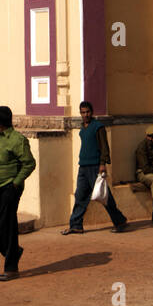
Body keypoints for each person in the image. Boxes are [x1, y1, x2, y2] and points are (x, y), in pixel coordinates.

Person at [0, 105, 35, 281]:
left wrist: (15, 183)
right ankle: (12, 252)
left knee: (8, 225)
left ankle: (11, 268)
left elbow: (29, 163)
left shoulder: (17, 140)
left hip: (9, 187)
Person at [61, 100, 128, 234]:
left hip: (95, 167)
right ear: (80, 113)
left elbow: (104, 147)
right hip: (83, 167)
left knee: (104, 196)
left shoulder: (98, 127)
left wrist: (102, 164)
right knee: (80, 196)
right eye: (83, 112)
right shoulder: (82, 128)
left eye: (87, 112)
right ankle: (76, 225)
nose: (85, 115)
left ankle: (119, 221)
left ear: (91, 113)